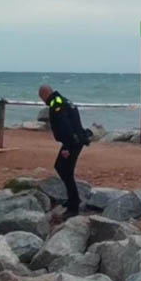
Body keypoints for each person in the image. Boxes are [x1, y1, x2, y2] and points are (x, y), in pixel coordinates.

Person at [39, 84, 92, 219]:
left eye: (41, 97)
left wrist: (67, 147)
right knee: (61, 168)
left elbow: (65, 125)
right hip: (74, 140)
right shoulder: (63, 100)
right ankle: (72, 199)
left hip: (72, 142)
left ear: (45, 94)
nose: (42, 101)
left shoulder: (57, 103)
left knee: (65, 171)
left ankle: (74, 205)